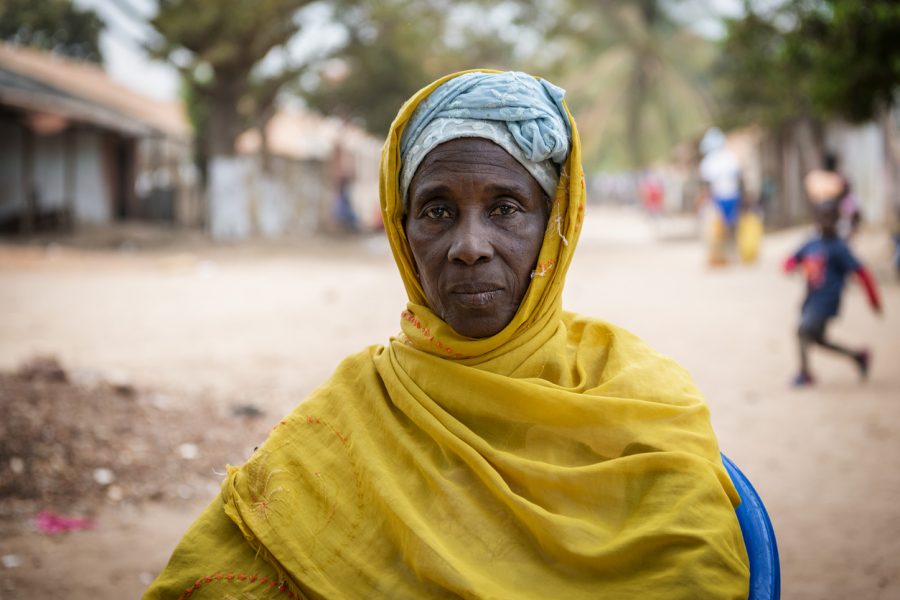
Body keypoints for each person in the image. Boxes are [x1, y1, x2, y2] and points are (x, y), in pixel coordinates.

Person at [145, 70, 749, 599]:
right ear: (401, 229)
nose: (469, 247)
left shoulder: (641, 401)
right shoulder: (350, 416)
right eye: (436, 210)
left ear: (556, 223)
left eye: (506, 208)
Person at [784, 200, 882, 387]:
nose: (826, 222)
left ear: (837, 220)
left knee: (803, 331)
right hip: (811, 299)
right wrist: (795, 266)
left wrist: (873, 300)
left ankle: (805, 373)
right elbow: (790, 261)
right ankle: (858, 356)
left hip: (827, 300)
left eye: (830, 218)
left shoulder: (839, 248)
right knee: (817, 339)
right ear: (816, 220)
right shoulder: (811, 243)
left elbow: (862, 273)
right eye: (822, 218)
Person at [698, 127, 743, 265]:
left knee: (721, 229)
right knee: (728, 227)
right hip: (728, 196)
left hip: (722, 198)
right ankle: (729, 255)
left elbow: (705, 185)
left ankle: (726, 255)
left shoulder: (715, 160)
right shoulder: (729, 157)